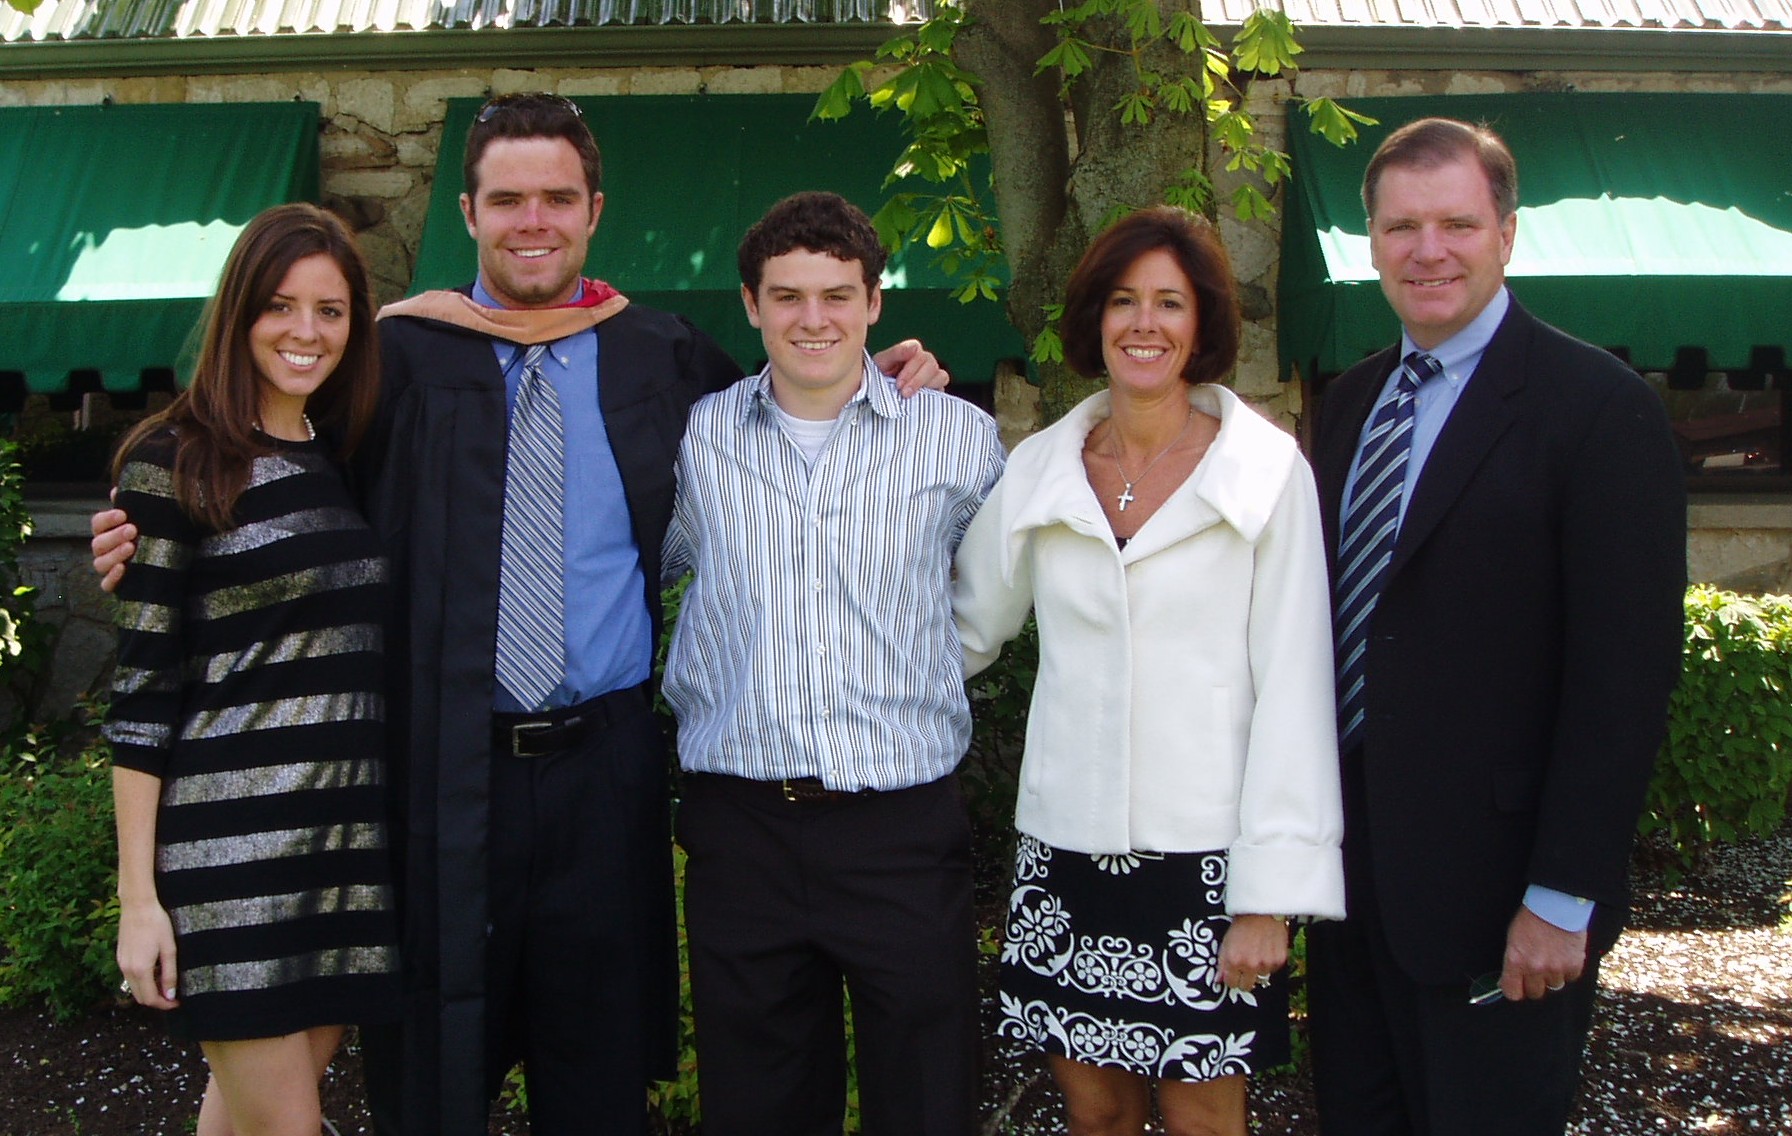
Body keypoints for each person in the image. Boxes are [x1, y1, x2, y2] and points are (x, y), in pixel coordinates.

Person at [92, 93, 945, 1136]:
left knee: (595, 1065)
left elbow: (789, 409)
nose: (530, 219)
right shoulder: (390, 357)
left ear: (593, 209)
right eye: (506, 198)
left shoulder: (660, 354)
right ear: (469, 211)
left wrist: (895, 368)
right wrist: (151, 529)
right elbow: (275, 472)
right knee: (436, 1059)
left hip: (605, 768)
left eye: (554, 197)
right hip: (440, 768)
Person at [1304, 117, 1685, 1136]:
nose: (1428, 250)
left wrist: (1564, 894)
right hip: (1348, 891)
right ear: (1372, 243)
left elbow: (1626, 672)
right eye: (1401, 227)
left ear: (1506, 235)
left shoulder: (1598, 409)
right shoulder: (1346, 405)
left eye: (1456, 224)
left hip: (1500, 898)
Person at [952, 205, 1346, 1136]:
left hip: (1209, 867)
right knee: (1095, 1116)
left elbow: (1296, 686)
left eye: (1170, 303)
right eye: (1124, 300)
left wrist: (1270, 900)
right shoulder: (1041, 470)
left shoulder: (1266, 474)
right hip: (1065, 855)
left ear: (1202, 325)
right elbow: (965, 629)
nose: (1144, 323)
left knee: (1206, 1119)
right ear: (1094, 318)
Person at [661, 191, 1004, 1136]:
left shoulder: (960, 441)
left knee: (928, 1100)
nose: (813, 319)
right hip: (742, 831)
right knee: (759, 1105)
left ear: (875, 303)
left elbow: (1000, 598)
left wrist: (930, 668)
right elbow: (642, 571)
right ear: (751, 304)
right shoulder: (696, 444)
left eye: (837, 295)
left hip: (899, 828)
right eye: (788, 297)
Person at [106, 202, 399, 1136]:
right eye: (280, 306)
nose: (305, 333)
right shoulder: (176, 459)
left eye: (331, 310)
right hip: (234, 859)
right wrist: (139, 899)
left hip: (340, 849)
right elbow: (143, 694)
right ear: (240, 313)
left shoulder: (340, 456)